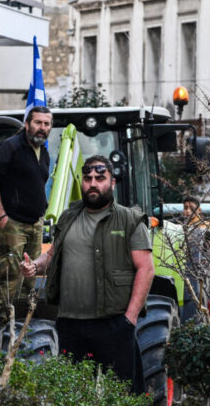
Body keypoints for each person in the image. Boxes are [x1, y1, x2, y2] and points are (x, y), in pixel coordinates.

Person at [30, 155, 153, 392]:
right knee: (74, 401)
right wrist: (34, 267)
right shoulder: (68, 217)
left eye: (100, 178)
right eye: (87, 179)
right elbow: (52, 257)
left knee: (124, 396)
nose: (93, 184)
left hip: (114, 324)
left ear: (112, 182)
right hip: (71, 325)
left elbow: (145, 269)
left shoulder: (129, 219)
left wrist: (130, 318)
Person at [0, 105, 52, 325]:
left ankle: (25, 324)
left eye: (47, 124)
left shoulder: (44, 153)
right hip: (12, 222)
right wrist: (2, 215)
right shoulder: (10, 147)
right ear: (27, 124)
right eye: (38, 123)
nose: (42, 128)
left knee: (31, 275)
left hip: (35, 223)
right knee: (11, 276)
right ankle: (4, 325)